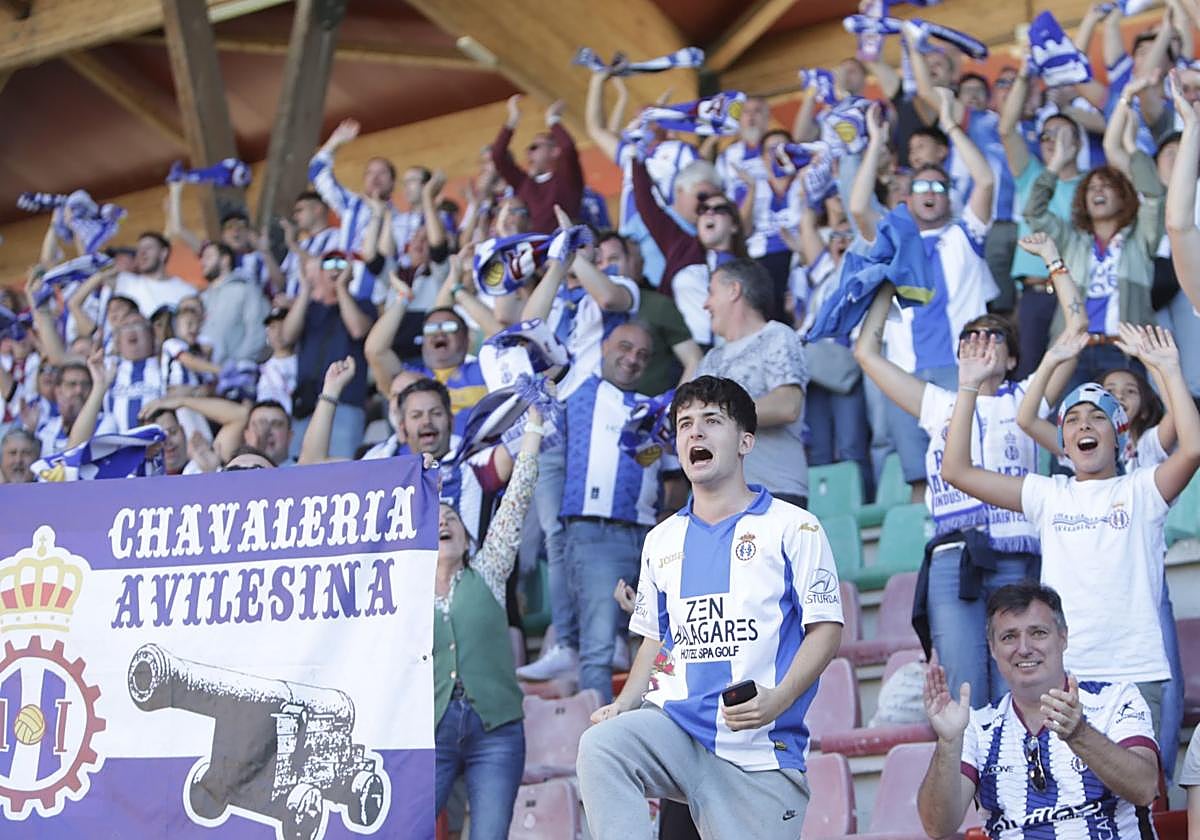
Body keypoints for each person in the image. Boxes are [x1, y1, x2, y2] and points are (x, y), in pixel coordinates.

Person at [576, 375, 843, 839]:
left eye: (711, 421)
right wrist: (624, 704)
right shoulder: (660, 540)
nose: (694, 433)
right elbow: (656, 641)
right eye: (684, 424)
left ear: (745, 441)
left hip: (760, 753)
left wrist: (778, 699)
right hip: (677, 730)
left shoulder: (794, 527)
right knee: (602, 745)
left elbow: (826, 630)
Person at [940, 323, 1200, 733]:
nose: (1084, 426)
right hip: (1064, 679)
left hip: (1134, 672)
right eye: (1073, 420)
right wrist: (968, 387)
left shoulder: (1142, 489)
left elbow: (1193, 448)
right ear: (1063, 444)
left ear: (1120, 440)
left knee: (1135, 794)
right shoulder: (1049, 494)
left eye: (1098, 418)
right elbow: (956, 470)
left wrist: (1168, 370)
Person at [916, 582, 1159, 840]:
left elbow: (1145, 788)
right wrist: (949, 742)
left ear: (1063, 637)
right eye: (1009, 637)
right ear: (992, 648)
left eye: (1038, 633)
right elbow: (937, 826)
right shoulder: (976, 726)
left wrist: (1079, 734)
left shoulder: (1116, 699)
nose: (1024, 648)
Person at [850, 96, 999, 500]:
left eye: (939, 186)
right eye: (920, 187)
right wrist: (876, 141)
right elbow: (859, 205)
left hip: (961, 371)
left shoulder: (965, 235)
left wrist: (951, 125)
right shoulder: (896, 240)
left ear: (949, 196)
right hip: (905, 373)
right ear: (908, 199)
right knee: (919, 479)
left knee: (972, 467)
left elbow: (985, 181)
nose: (930, 192)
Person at [433, 406, 544, 840]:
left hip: (495, 733)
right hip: (428, 731)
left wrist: (533, 428)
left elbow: (517, 497)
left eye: (452, 518)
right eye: (435, 519)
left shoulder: (490, 570)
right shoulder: (400, 589)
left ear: (468, 538)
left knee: (490, 835)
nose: (443, 520)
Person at [697, 258, 809, 507]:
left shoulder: (777, 335)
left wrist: (717, 417)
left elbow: (787, 406)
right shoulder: (709, 360)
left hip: (774, 492)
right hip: (718, 502)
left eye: (711, 293)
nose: (705, 304)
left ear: (734, 290)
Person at [280, 250, 375, 459]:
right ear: (320, 272)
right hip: (305, 405)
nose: (335, 269)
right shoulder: (309, 308)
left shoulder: (363, 305)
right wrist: (306, 289)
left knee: (339, 472)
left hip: (346, 402)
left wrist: (341, 288)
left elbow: (358, 329)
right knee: (300, 471)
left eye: (341, 266)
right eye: (329, 265)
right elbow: (286, 336)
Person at [491, 95, 584, 232]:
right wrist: (513, 119)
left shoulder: (567, 179)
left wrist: (553, 120)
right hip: (532, 250)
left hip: (563, 248)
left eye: (535, 147)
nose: (528, 152)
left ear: (554, 151)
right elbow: (498, 155)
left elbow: (568, 148)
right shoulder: (523, 183)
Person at [198, 241, 268, 365]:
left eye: (208, 256)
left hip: (238, 376)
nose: (202, 262)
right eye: (202, 258)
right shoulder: (202, 297)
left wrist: (239, 364)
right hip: (206, 375)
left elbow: (258, 330)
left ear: (225, 260)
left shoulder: (246, 289)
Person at [113, 232, 196, 318]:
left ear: (163, 253)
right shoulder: (126, 281)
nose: (142, 253)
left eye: (148, 248)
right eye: (139, 249)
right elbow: (99, 276)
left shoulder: (186, 291)